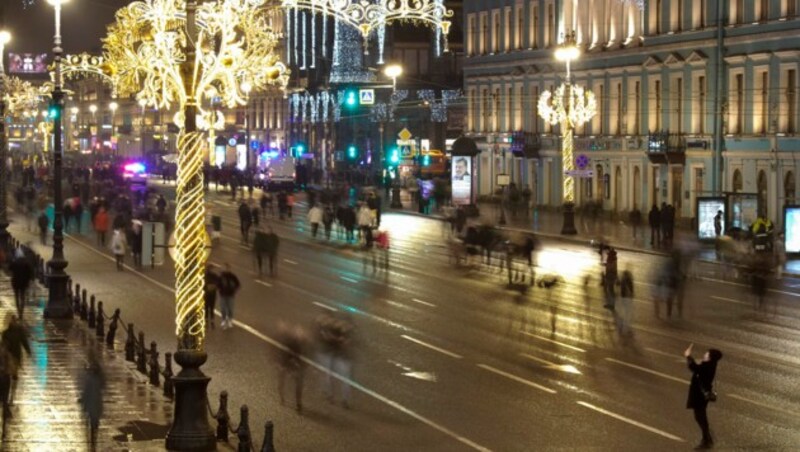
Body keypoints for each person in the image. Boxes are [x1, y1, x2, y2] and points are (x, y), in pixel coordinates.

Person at [684, 344, 723, 450]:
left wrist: (688, 356)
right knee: (700, 416)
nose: (705, 354)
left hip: (699, 396)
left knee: (700, 417)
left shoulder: (707, 367)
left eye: (707, 353)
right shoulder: (710, 365)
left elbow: (694, 368)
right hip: (701, 396)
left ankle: (707, 439)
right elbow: (697, 368)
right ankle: (707, 437)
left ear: (710, 357)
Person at [276, 323, 308, 413]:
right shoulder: (290, 341)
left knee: (298, 385)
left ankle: (298, 403)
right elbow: (284, 354)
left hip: (295, 366)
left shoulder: (304, 343)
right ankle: (282, 397)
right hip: (287, 364)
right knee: (282, 381)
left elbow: (305, 356)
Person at [79, 349, 106, 449]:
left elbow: (85, 391)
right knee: (93, 423)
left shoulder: (90, 378)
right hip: (94, 405)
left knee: (93, 423)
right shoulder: (93, 379)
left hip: (93, 405)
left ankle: (92, 439)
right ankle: (93, 439)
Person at [2, 316, 31, 404]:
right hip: (8, 357)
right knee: (7, 375)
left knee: (14, 375)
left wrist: (28, 350)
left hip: (16, 357)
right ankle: (6, 395)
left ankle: (12, 395)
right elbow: (3, 345)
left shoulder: (19, 330)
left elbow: (24, 341)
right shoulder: (5, 332)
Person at [9, 249, 34, 318]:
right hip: (24, 282)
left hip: (15, 282)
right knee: (22, 296)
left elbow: (9, 268)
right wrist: (30, 280)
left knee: (16, 296)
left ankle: (18, 310)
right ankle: (21, 312)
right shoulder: (26, 263)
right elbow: (30, 272)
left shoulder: (14, 262)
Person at [217, 263, 241, 329]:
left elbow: (238, 284)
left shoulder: (233, 276)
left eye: (227, 268)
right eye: (225, 268)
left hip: (230, 295)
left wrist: (235, 290)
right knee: (223, 308)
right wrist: (219, 289)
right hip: (223, 295)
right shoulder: (221, 276)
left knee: (230, 308)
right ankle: (224, 320)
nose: (226, 269)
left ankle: (230, 320)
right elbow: (218, 284)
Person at [204, 264, 219, 329]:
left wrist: (214, 286)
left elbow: (218, 283)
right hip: (208, 294)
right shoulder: (206, 276)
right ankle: (208, 321)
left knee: (210, 308)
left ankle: (210, 321)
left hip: (211, 294)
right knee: (208, 308)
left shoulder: (214, 276)